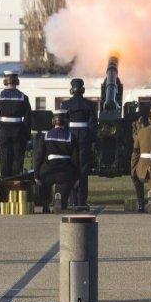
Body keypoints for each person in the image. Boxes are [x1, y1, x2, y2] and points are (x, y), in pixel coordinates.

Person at [60, 78, 98, 212]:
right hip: (84, 140)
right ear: (83, 90)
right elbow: (93, 126)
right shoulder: (90, 105)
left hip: (70, 139)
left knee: (71, 169)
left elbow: (62, 124)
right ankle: (82, 201)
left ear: (71, 90)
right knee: (83, 171)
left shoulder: (65, 105)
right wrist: (92, 141)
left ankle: (72, 200)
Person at [34, 109, 79, 213]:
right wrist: (76, 177)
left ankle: (45, 205)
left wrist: (37, 175)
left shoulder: (45, 136)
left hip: (48, 170)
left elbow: (38, 157)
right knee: (64, 183)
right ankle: (60, 200)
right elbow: (76, 159)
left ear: (53, 121)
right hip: (64, 171)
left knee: (44, 185)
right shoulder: (71, 137)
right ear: (66, 121)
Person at [0, 71, 32, 177]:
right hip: (19, 132)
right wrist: (27, 136)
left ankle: (5, 186)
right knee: (18, 161)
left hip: (3, 132)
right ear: (17, 81)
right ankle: (16, 186)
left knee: (4, 160)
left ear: (5, 81)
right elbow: (28, 119)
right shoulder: (23, 97)